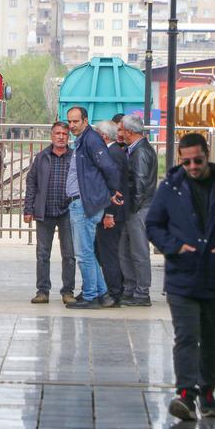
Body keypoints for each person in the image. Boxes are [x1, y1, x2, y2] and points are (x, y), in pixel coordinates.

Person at [146, 133, 215, 421]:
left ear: (207, 155)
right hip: (183, 274)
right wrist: (173, 247)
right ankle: (185, 393)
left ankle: (207, 392)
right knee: (186, 336)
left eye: (198, 160)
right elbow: (154, 225)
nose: (192, 166)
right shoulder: (171, 186)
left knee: (211, 339)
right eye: (186, 162)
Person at [64, 107, 122, 309]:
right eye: (69, 121)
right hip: (82, 202)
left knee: (84, 253)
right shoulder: (83, 140)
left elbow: (109, 167)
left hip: (84, 202)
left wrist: (112, 190)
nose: (71, 125)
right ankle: (102, 293)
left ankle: (90, 296)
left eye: (75, 121)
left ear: (85, 121)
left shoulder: (91, 140)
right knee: (87, 251)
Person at [23, 121, 76, 304]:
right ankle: (42, 291)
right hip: (45, 211)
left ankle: (68, 292)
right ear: (51, 136)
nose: (61, 137)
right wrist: (28, 208)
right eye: (57, 133)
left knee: (69, 254)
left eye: (64, 134)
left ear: (68, 137)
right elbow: (31, 183)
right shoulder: (42, 157)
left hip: (68, 211)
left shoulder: (75, 157)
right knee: (43, 253)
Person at [118, 114, 158, 306]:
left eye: (121, 129)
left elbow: (140, 184)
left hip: (138, 208)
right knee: (126, 249)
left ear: (129, 131)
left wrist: (131, 208)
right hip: (135, 207)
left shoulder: (140, 152)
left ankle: (142, 293)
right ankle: (131, 288)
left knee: (139, 251)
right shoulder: (136, 149)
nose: (120, 133)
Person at [92, 120, 128, 308]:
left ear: (103, 136)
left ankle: (114, 293)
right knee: (104, 251)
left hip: (111, 213)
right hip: (110, 211)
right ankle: (112, 289)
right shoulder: (115, 152)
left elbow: (116, 187)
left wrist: (109, 214)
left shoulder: (112, 154)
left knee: (108, 254)